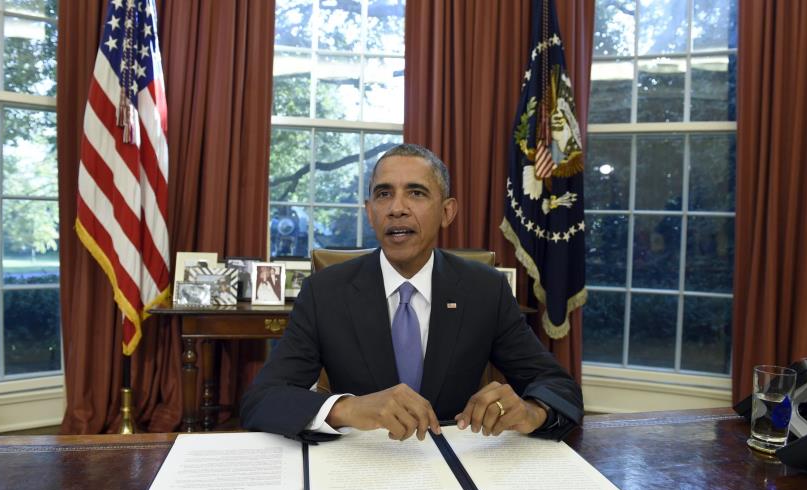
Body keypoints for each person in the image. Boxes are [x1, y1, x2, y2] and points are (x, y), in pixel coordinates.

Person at [240, 144, 583, 442]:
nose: (397, 208)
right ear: (370, 212)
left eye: (416, 193)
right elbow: (262, 400)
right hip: (361, 460)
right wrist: (347, 409)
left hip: (456, 460)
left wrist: (531, 411)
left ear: (447, 212)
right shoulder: (324, 292)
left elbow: (557, 385)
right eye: (383, 194)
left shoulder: (485, 289)